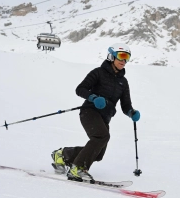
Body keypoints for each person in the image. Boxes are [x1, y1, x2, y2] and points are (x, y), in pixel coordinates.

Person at [51, 43, 141, 182]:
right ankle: (78, 168)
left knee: (98, 154)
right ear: (112, 56)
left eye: (127, 57)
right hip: (89, 112)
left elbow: (125, 105)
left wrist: (131, 112)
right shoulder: (98, 73)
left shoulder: (123, 82)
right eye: (121, 56)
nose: (124, 61)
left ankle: (63, 155)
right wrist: (93, 98)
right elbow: (80, 89)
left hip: (105, 117)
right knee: (101, 136)